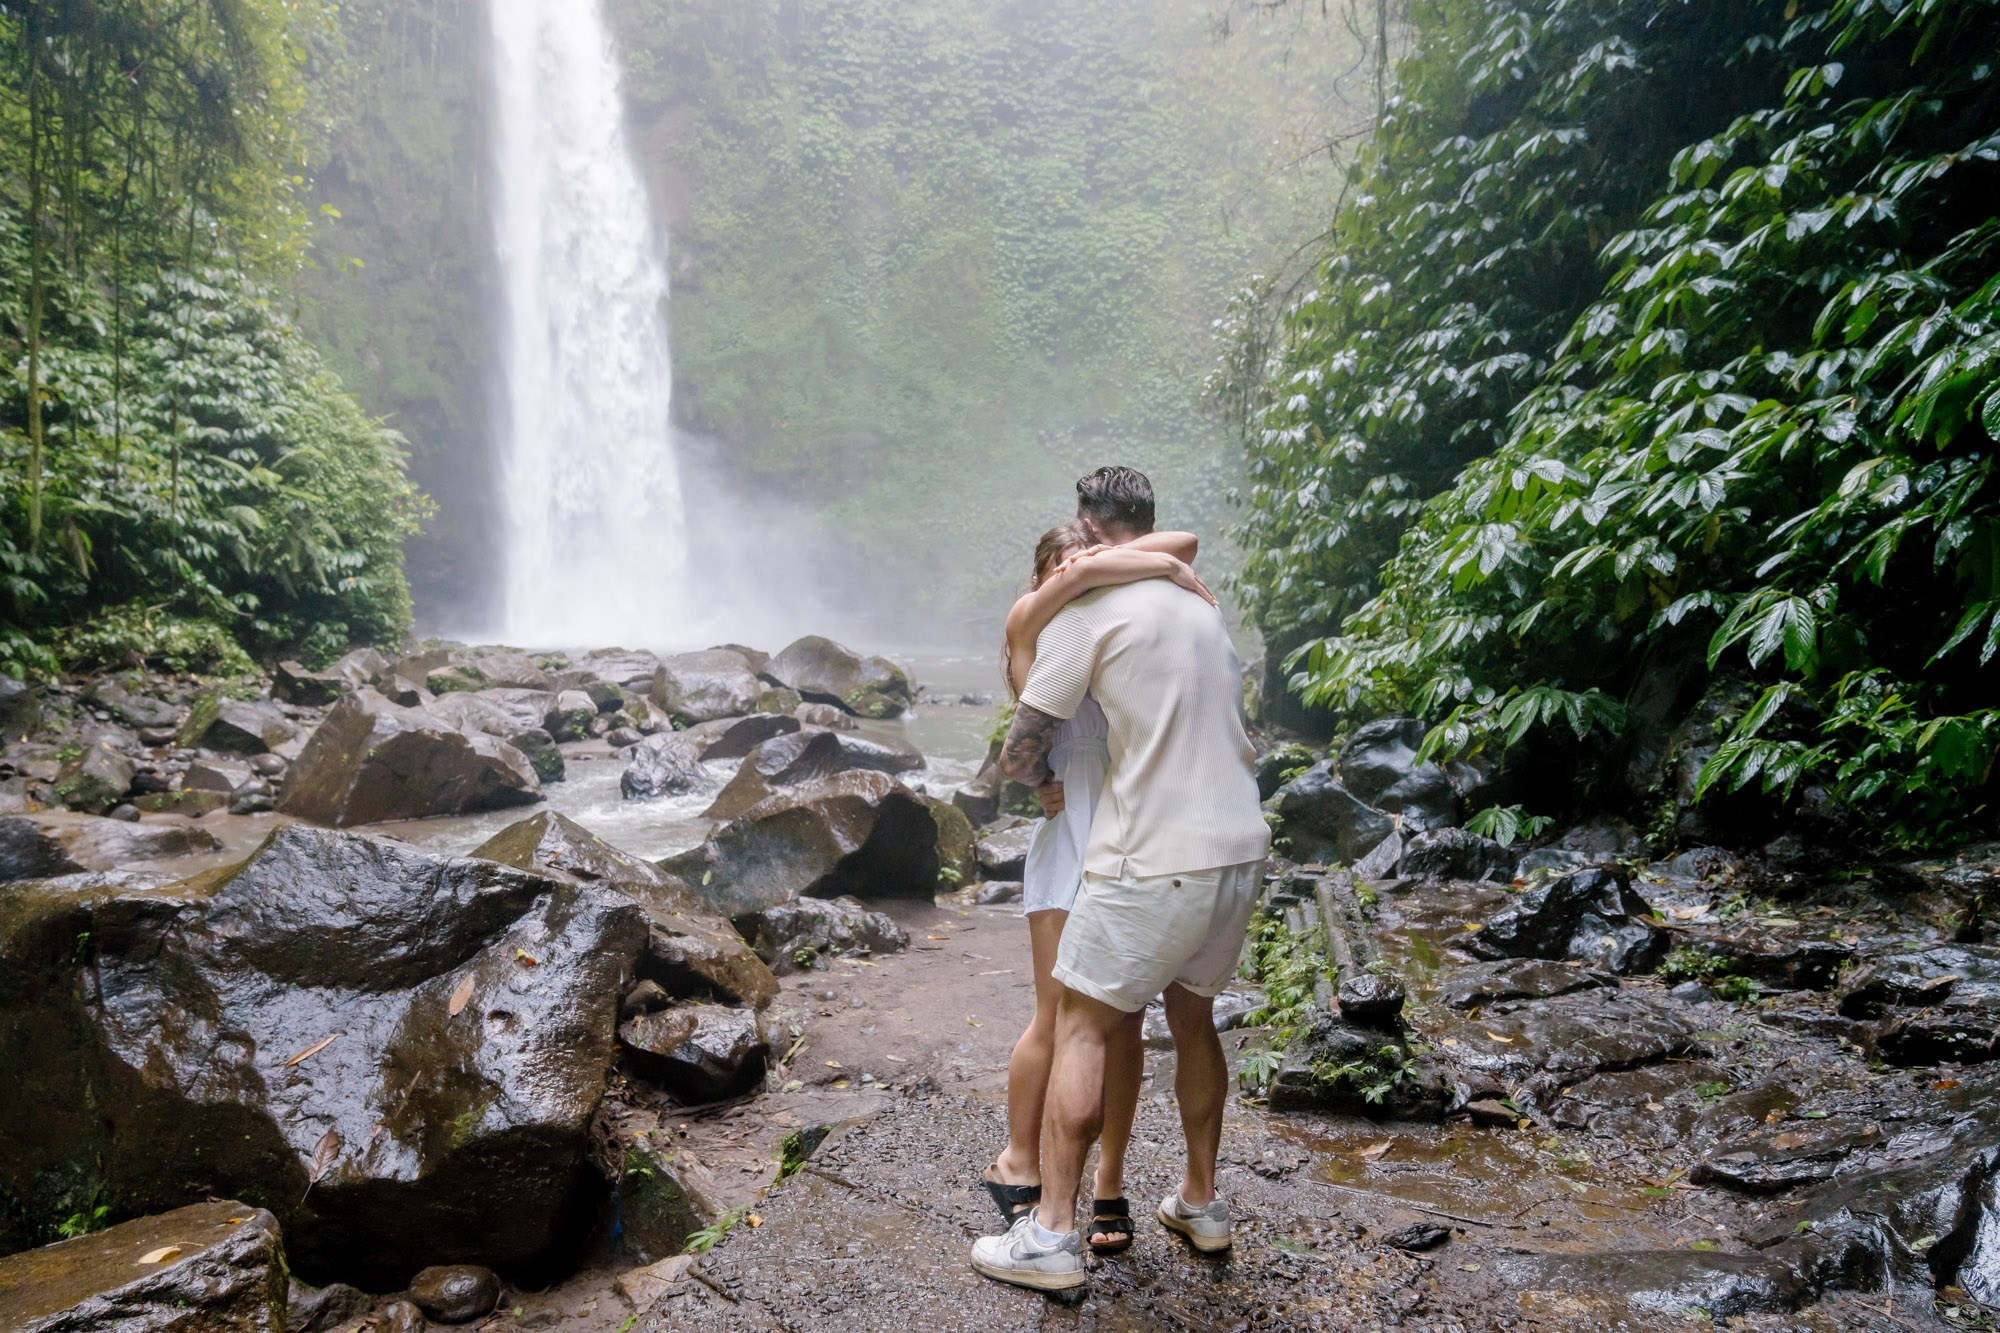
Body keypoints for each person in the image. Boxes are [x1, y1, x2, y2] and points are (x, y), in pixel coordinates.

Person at [969, 488, 1270, 1293]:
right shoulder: (1191, 603)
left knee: (1083, 1024)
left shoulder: (1086, 616)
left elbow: (1019, 749)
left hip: (1150, 855)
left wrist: (1035, 778)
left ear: (1091, 545)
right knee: (1194, 1019)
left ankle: (1053, 1234)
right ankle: (1200, 1203)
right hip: (1238, 849)